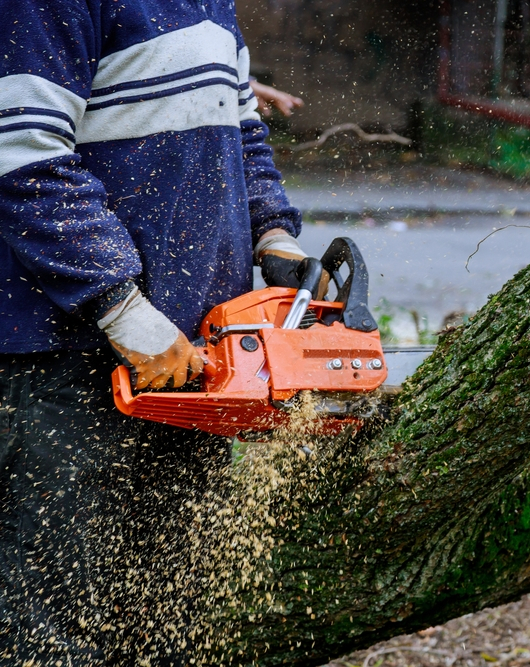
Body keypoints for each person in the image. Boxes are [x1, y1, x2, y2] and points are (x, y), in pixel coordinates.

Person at [0, 2, 318, 663]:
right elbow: (21, 155)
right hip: (67, 363)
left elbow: (238, 125)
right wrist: (120, 305)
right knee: (53, 625)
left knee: (170, 617)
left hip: (192, 364)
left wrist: (272, 227)